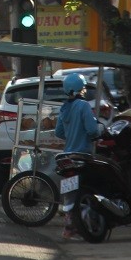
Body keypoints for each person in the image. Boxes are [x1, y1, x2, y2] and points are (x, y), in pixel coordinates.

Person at [55, 72, 100, 240]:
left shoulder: (64, 107)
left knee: (70, 194)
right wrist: (98, 131)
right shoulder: (83, 106)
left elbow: (59, 132)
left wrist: (71, 133)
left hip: (67, 156)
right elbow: (92, 130)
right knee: (92, 187)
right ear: (80, 89)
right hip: (83, 155)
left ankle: (69, 227)